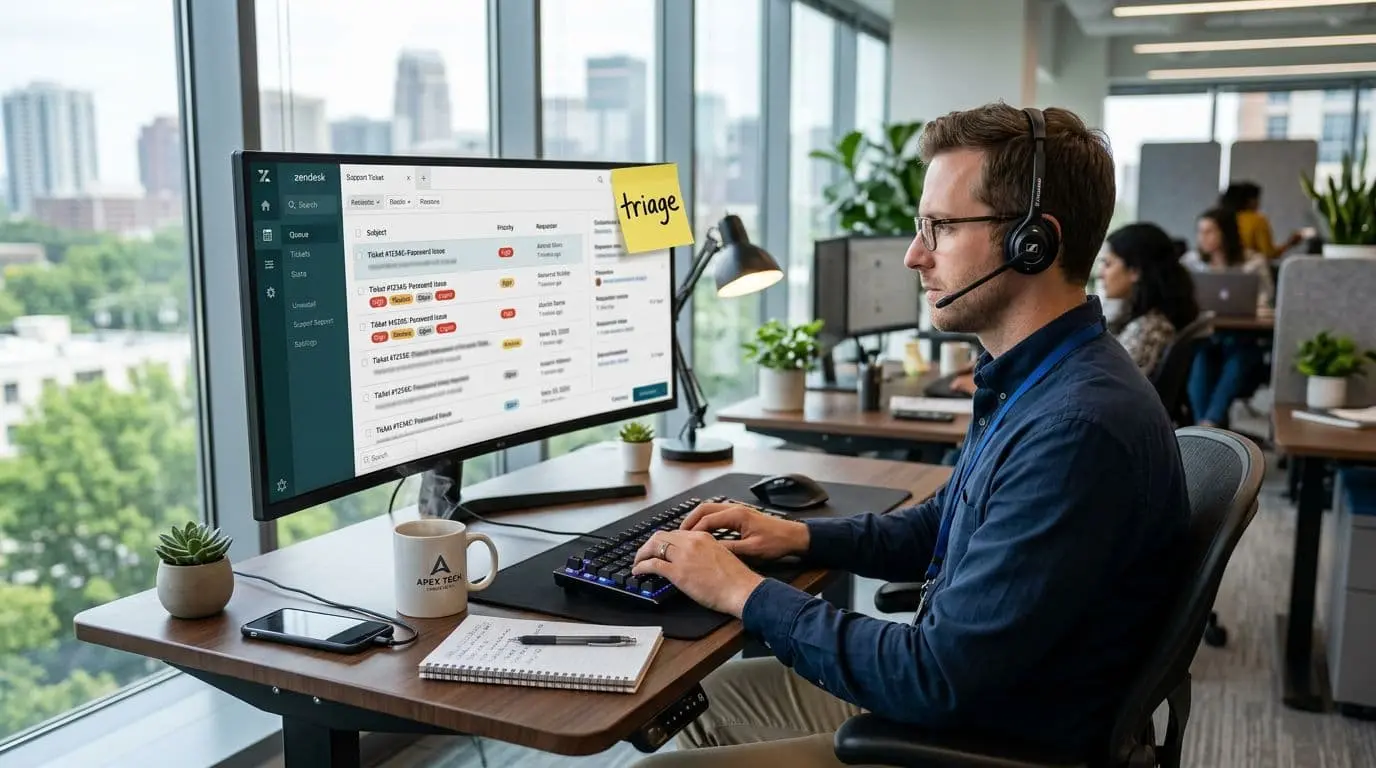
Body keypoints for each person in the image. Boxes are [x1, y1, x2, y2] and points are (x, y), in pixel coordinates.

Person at [631, 103, 1191, 767]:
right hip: (980, 697)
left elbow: (932, 677)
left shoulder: (1075, 429)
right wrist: (799, 536)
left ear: (1033, 242)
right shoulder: (1040, 378)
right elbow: (943, 526)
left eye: (941, 227)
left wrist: (740, 591)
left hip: (987, 737)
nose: (914, 255)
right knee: (700, 701)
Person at [1181, 207, 1270, 427]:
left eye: (1209, 231)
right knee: (1202, 360)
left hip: (1243, 337)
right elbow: (1180, 296)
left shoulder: (1253, 262)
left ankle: (1207, 425)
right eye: (1200, 231)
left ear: (1226, 233)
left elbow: (1265, 299)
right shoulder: (1191, 262)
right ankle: (1207, 425)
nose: (1203, 237)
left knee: (1238, 357)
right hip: (1207, 335)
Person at [1099, 222, 1201, 375]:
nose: (1101, 274)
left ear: (1135, 271)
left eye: (1108, 264)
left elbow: (1105, 380)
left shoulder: (1148, 330)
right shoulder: (1154, 319)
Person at [1218, 181, 1302, 261]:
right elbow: (1269, 253)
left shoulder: (1221, 218)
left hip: (1221, 267)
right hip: (1249, 268)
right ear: (1250, 201)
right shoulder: (1257, 220)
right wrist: (1290, 243)